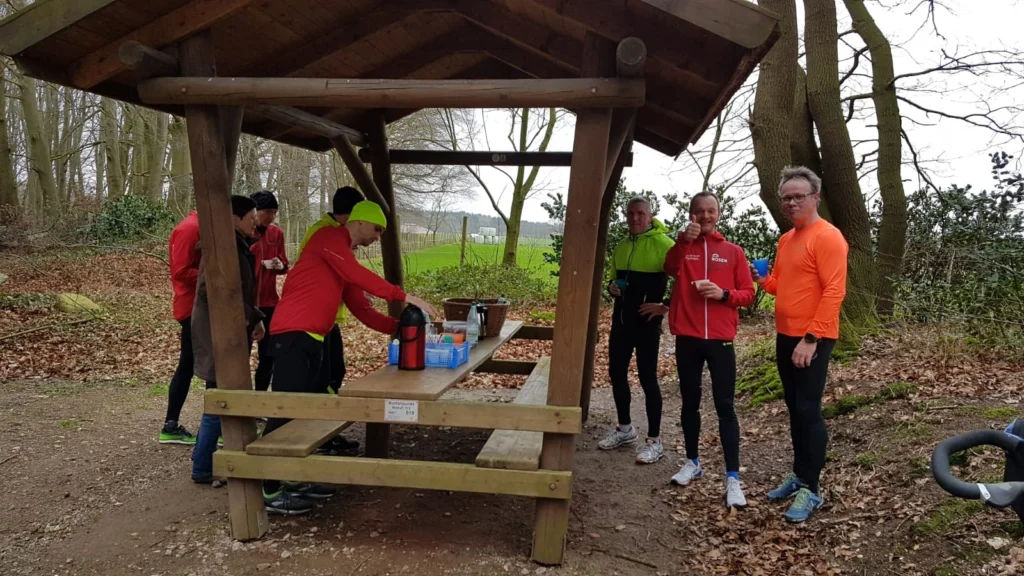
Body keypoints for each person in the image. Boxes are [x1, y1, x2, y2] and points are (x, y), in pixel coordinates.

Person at [261, 200, 437, 515]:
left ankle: (293, 477)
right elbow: (358, 275)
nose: (377, 237)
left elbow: (361, 307)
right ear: (359, 222)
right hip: (291, 336)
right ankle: (268, 487)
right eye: (377, 229)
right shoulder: (329, 239)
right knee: (285, 410)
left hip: (314, 338)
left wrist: (398, 327)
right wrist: (404, 295)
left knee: (305, 411)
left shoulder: (342, 259)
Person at [752, 166, 848, 523]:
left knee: (808, 409)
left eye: (798, 196)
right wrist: (763, 279)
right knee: (794, 407)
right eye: (786, 198)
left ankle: (812, 488)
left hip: (813, 337)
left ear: (815, 197)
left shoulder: (828, 237)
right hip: (786, 334)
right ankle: (799, 474)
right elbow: (782, 285)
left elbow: (835, 291)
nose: (791, 203)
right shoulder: (786, 239)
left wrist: (811, 339)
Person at [662, 191, 755, 508]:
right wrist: (681, 242)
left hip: (720, 339)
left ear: (718, 214)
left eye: (710, 211)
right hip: (687, 336)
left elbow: (748, 294)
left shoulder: (733, 252)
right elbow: (670, 269)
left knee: (725, 406)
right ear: (691, 214)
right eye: (698, 211)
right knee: (690, 402)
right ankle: (692, 462)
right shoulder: (683, 247)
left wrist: (723, 293)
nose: (704, 216)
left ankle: (732, 478)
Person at [190, 196, 266, 483]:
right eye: (251, 218)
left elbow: (240, 291)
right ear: (234, 218)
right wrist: (250, 316)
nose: (255, 222)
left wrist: (253, 317)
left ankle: (203, 457)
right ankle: (203, 467)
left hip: (230, 331)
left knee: (219, 394)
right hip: (218, 334)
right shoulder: (223, 248)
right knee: (219, 397)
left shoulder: (236, 245)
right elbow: (216, 292)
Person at [598, 197, 675, 465]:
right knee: (616, 374)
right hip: (621, 321)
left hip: (647, 325)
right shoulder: (621, 247)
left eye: (641, 213)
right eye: (630, 214)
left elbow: (687, 280)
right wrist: (611, 287)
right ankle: (625, 429)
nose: (635, 218)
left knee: (647, 378)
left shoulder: (665, 244)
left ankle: (655, 441)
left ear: (651, 215)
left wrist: (665, 306)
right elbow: (612, 278)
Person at [295, 186, 365, 454]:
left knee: (335, 373)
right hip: (312, 322)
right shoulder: (324, 232)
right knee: (320, 380)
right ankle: (319, 436)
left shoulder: (337, 233)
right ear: (351, 214)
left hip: (328, 319)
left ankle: (326, 433)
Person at [160, 209, 202, 444]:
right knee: (189, 364)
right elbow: (181, 271)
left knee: (188, 364)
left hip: (197, 305)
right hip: (191, 307)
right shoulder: (189, 229)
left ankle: (171, 424)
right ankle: (171, 425)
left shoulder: (200, 226)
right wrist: (216, 273)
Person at [249, 191, 289, 392]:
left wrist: (278, 264)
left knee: (268, 355)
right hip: (247, 302)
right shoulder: (245, 233)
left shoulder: (277, 234)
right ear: (255, 212)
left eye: (274, 213)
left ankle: (261, 397)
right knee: (240, 354)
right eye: (268, 212)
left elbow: (285, 265)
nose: (271, 217)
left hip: (270, 303)